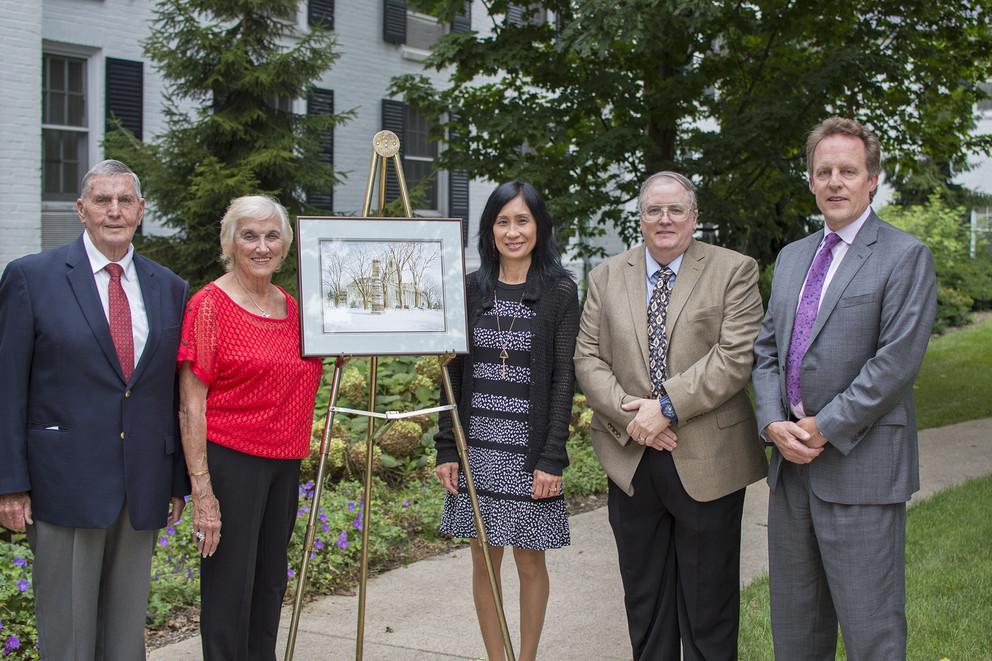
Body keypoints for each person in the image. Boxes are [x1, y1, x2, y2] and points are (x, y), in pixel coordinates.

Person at [752, 117, 937, 660]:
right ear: (810, 180)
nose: (835, 182)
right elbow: (765, 352)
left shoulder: (904, 256)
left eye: (848, 171)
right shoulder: (791, 258)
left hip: (862, 470)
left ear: (872, 179)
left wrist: (822, 427)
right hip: (792, 474)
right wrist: (771, 422)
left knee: (870, 634)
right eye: (824, 171)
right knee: (796, 634)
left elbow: (895, 364)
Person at [0, 159, 188, 659]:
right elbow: (7, 387)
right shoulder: (30, 278)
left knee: (126, 635)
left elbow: (166, 392)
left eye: (125, 200)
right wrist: (10, 483)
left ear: (141, 210)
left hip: (140, 482)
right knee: (69, 635)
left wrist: (174, 479)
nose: (114, 210)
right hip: (64, 481)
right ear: (81, 210)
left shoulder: (169, 287)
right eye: (102, 200)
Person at [574, 171, 766, 660]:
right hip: (631, 460)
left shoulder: (734, 270)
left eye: (675, 210)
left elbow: (735, 357)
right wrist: (634, 416)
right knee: (645, 603)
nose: (664, 220)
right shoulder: (606, 275)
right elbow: (587, 358)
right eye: (653, 210)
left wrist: (665, 408)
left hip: (708, 459)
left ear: (694, 217)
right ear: (640, 218)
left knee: (709, 608)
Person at [435, 181, 579, 661]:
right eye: (502, 221)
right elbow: (450, 371)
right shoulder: (470, 288)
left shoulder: (559, 291)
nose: (512, 231)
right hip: (478, 445)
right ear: (489, 228)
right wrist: (447, 447)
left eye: (522, 220)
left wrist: (552, 457)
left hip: (529, 450)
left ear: (539, 226)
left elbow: (564, 380)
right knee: (482, 556)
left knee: (529, 558)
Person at [177, 195, 322, 660]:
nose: (262, 246)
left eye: (272, 235)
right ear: (230, 243)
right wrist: (203, 491)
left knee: (268, 583)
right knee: (229, 590)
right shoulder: (209, 306)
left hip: (285, 462)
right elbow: (190, 407)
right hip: (231, 461)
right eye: (250, 235)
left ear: (286, 244)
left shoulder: (297, 311)